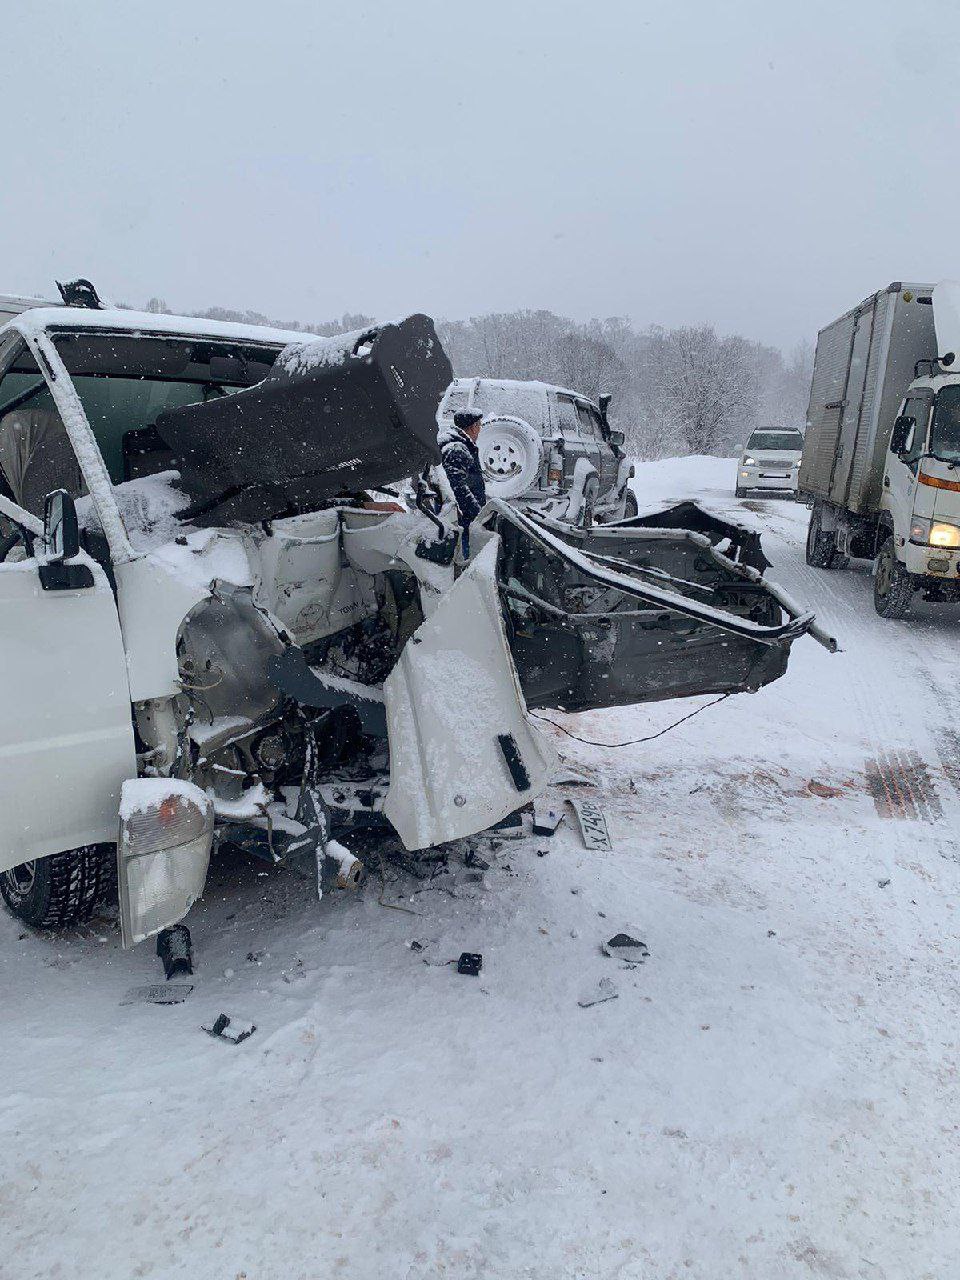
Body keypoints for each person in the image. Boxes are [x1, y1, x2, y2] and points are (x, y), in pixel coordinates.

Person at [438, 408, 487, 557]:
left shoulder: (459, 445)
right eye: (479, 425)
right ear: (473, 426)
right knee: (465, 555)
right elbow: (459, 488)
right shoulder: (457, 449)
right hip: (464, 521)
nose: (480, 430)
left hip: (463, 518)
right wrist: (477, 514)